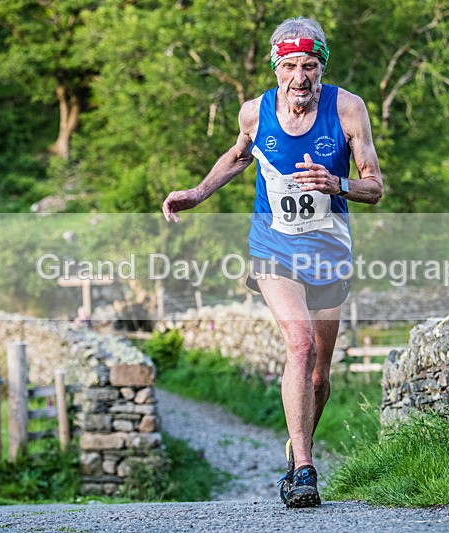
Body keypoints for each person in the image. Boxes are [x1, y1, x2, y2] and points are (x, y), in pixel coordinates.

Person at [162, 17, 383, 508]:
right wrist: (197, 193)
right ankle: (304, 469)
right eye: (289, 67)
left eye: (310, 66)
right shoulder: (254, 112)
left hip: (329, 251)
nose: (300, 78)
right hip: (273, 248)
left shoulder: (348, 109)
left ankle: (296, 444)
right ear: (276, 68)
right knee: (299, 345)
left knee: (320, 377)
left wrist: (337, 184)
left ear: (322, 67)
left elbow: (375, 186)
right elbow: (240, 155)